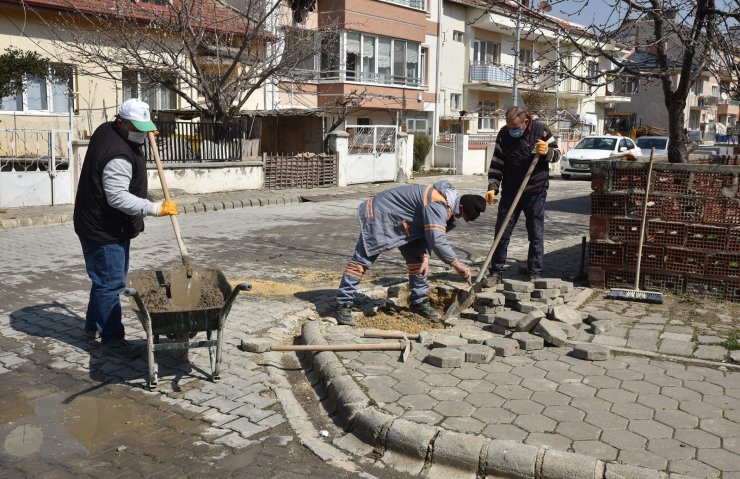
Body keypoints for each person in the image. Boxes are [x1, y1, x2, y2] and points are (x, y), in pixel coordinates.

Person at [74, 98, 178, 348]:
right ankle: (112, 340)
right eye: (137, 128)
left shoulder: (106, 129)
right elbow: (117, 197)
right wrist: (154, 208)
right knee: (111, 283)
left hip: (100, 222)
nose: (142, 134)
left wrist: (143, 129)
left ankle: (93, 327)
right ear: (121, 122)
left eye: (145, 128)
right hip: (104, 227)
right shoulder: (117, 155)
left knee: (103, 278)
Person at [335, 180, 487, 325]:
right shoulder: (438, 204)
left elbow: (427, 234)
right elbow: (437, 239)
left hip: (404, 223)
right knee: (362, 260)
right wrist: (457, 265)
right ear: (460, 207)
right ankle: (343, 304)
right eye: (463, 217)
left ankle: (419, 302)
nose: (461, 220)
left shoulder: (448, 205)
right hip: (380, 215)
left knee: (419, 263)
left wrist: (426, 257)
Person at [483, 106, 561, 287]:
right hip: (511, 191)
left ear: (526, 121)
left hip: (536, 190)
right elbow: (497, 162)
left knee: (535, 233)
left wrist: (546, 152)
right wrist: (493, 186)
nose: (512, 131)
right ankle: (496, 272)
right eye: (509, 127)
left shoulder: (541, 130)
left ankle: (535, 272)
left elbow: (557, 155)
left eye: (515, 127)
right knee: (502, 232)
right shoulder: (504, 134)